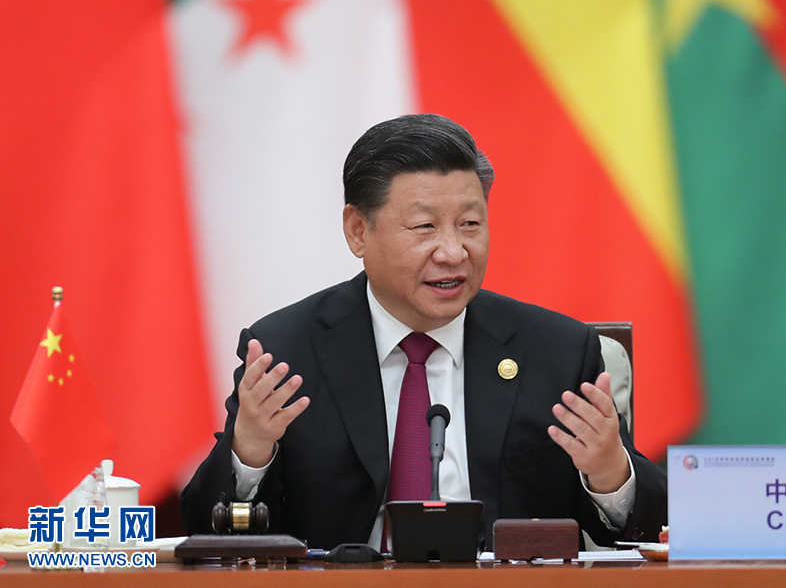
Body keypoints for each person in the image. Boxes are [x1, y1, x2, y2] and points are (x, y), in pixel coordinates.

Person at [181, 113, 666, 550]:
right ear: (358, 230)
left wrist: (609, 474)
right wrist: (251, 451)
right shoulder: (287, 351)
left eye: (470, 223)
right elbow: (206, 531)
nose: (453, 252)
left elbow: (654, 532)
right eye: (424, 227)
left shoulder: (556, 352)